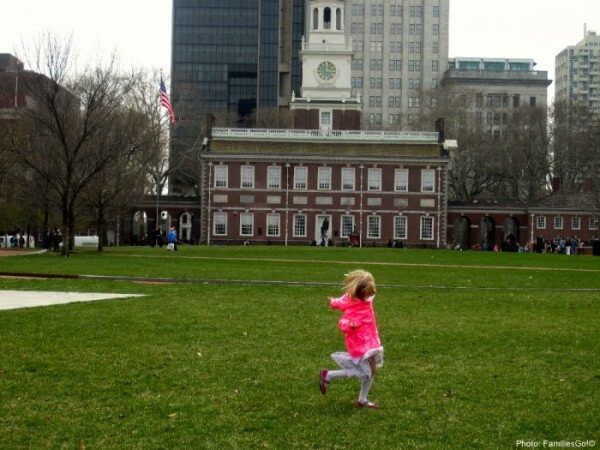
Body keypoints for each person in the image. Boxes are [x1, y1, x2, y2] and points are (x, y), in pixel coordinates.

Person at [319, 270, 384, 409]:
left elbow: (368, 291)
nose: (371, 294)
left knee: (372, 371)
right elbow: (342, 322)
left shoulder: (367, 297)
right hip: (359, 344)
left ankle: (362, 399)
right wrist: (351, 325)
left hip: (372, 341)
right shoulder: (351, 302)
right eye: (368, 292)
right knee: (365, 373)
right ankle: (328, 375)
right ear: (360, 293)